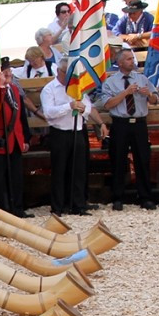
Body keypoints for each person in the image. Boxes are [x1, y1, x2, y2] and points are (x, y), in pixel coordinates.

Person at [41, 57, 109, 215]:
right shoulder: (50, 89)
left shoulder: (78, 88)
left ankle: (78, 204)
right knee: (59, 170)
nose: (70, 77)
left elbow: (88, 108)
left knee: (78, 170)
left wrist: (83, 108)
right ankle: (58, 206)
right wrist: (68, 106)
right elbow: (49, 113)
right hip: (60, 133)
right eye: (67, 73)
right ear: (59, 71)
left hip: (77, 131)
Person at [99, 48, 158, 210]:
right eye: (128, 59)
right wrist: (125, 92)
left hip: (139, 123)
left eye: (132, 58)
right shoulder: (110, 82)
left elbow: (155, 100)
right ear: (119, 63)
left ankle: (145, 197)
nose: (132, 61)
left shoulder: (142, 78)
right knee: (118, 160)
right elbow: (107, 104)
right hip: (120, 124)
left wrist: (148, 95)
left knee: (142, 159)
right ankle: (118, 197)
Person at [0, 61, 27, 216]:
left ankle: (18, 209)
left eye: (8, 71)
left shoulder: (14, 89)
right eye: (3, 72)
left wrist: (22, 139)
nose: (7, 74)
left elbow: (19, 117)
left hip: (14, 139)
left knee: (16, 177)